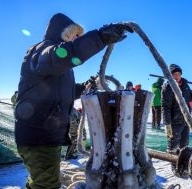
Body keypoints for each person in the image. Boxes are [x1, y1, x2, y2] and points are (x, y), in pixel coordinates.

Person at [14, 13, 133, 188]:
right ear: (64, 33)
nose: (78, 39)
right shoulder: (43, 51)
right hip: (38, 137)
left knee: (38, 181)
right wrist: (101, 37)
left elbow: (64, 91)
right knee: (46, 185)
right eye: (75, 35)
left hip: (44, 136)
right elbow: (64, 54)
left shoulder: (57, 65)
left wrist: (87, 85)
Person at [162, 64, 192, 175]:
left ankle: (183, 166)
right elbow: (165, 107)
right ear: (170, 75)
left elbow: (190, 97)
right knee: (173, 147)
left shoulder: (185, 85)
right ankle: (174, 167)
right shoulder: (168, 87)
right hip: (174, 122)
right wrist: (167, 124)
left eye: (178, 74)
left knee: (184, 145)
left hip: (186, 120)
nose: (177, 76)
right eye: (174, 74)